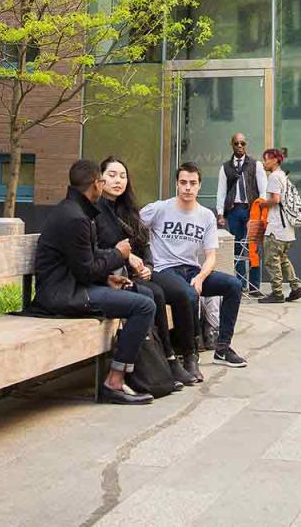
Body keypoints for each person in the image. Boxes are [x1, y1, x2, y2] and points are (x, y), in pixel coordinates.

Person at [26, 159, 157, 404]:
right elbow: (85, 271)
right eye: (103, 180)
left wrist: (108, 278)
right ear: (96, 184)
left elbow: (82, 262)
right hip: (62, 295)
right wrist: (119, 254)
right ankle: (114, 382)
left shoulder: (76, 211)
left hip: (73, 287)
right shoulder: (75, 217)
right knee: (144, 306)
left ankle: (137, 375)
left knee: (145, 296)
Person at [95, 155, 197, 388]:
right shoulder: (96, 210)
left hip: (134, 275)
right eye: (111, 175)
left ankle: (178, 358)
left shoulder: (128, 210)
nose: (118, 181)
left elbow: (145, 243)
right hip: (110, 277)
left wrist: (148, 267)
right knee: (155, 295)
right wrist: (124, 257)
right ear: (99, 179)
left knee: (172, 292)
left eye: (122, 176)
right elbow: (99, 247)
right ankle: (165, 361)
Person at [144, 163, 249, 370]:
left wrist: (200, 277)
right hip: (165, 270)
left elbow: (211, 256)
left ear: (199, 186)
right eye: (183, 183)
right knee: (190, 294)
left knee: (233, 285)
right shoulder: (159, 209)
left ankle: (222, 348)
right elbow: (132, 225)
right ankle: (190, 354)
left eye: (192, 183)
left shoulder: (205, 216)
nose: (187, 188)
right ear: (177, 184)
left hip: (192, 270)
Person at [215, 133, 267, 296]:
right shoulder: (225, 167)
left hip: (253, 210)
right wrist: (220, 213)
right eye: (236, 143)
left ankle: (254, 286)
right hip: (234, 210)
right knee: (236, 247)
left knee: (254, 246)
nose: (239, 146)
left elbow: (263, 189)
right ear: (232, 145)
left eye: (242, 143)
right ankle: (240, 284)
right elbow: (221, 191)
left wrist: (262, 210)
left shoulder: (255, 164)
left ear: (246, 145)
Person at [257, 148, 301, 304]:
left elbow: (276, 199)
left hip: (276, 229)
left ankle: (277, 293)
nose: (264, 162)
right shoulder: (284, 177)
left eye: (266, 159)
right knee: (283, 259)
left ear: (275, 161)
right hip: (287, 230)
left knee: (272, 261)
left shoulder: (274, 177)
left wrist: (262, 204)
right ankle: (296, 287)